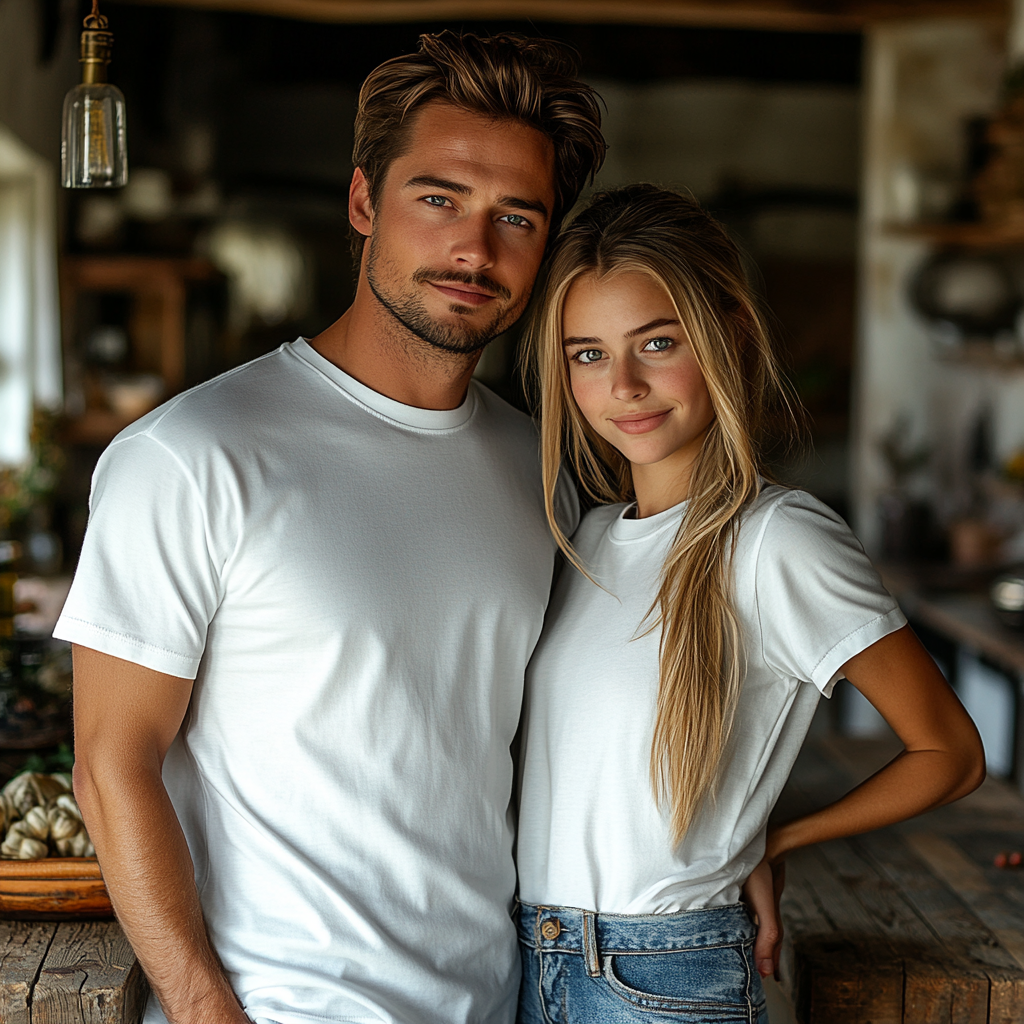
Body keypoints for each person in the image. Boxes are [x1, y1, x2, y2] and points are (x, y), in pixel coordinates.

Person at [56, 32, 606, 1024]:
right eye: (437, 199)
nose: (473, 249)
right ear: (363, 204)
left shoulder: (547, 473)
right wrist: (202, 1006)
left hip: (498, 1001)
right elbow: (111, 763)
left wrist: (734, 856)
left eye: (514, 217)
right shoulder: (191, 456)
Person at [514, 184, 986, 1023]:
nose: (622, 384)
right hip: (529, 959)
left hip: (659, 975)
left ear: (728, 332)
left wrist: (772, 842)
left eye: (656, 343)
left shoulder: (778, 540)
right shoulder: (582, 539)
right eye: (586, 354)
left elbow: (948, 752)